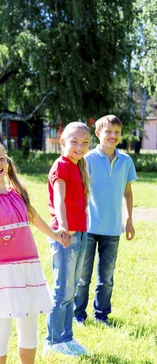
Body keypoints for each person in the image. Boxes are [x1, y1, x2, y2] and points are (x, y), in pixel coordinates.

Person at [0, 138, 71, 364]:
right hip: (3, 270)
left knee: (29, 324)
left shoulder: (17, 193)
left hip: (29, 267)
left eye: (1, 158)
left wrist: (56, 234)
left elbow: (34, 218)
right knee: (1, 325)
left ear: (8, 162)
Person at [74, 115, 137, 327]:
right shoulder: (88, 159)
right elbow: (80, 192)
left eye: (117, 132)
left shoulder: (126, 161)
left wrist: (129, 221)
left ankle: (101, 315)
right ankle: (78, 315)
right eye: (108, 131)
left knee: (106, 278)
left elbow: (128, 193)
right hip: (88, 228)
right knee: (83, 276)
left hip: (112, 228)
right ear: (98, 133)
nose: (113, 136)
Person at [44, 122, 92, 357]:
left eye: (85, 143)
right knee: (62, 289)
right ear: (63, 142)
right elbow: (59, 200)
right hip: (66, 236)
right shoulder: (61, 166)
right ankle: (52, 342)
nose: (80, 146)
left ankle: (67, 338)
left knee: (71, 290)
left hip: (80, 233)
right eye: (74, 141)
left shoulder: (77, 166)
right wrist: (62, 226)